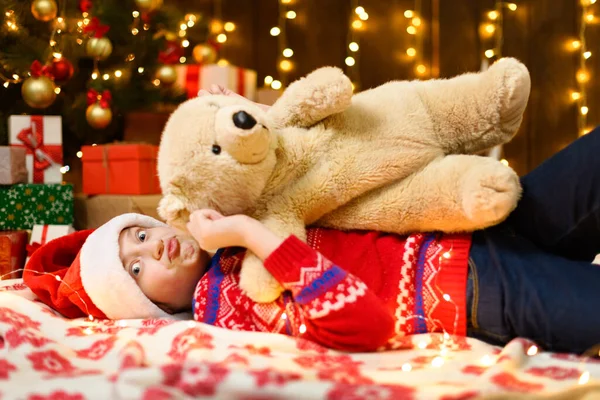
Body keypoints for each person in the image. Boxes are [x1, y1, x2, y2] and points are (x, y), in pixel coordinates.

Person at [23, 95, 600, 355]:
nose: (156, 250)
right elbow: (365, 324)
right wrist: (252, 239)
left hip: (478, 226)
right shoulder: (225, 303)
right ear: (149, 309)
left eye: (140, 236)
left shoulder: (229, 212)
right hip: (475, 292)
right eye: (137, 269)